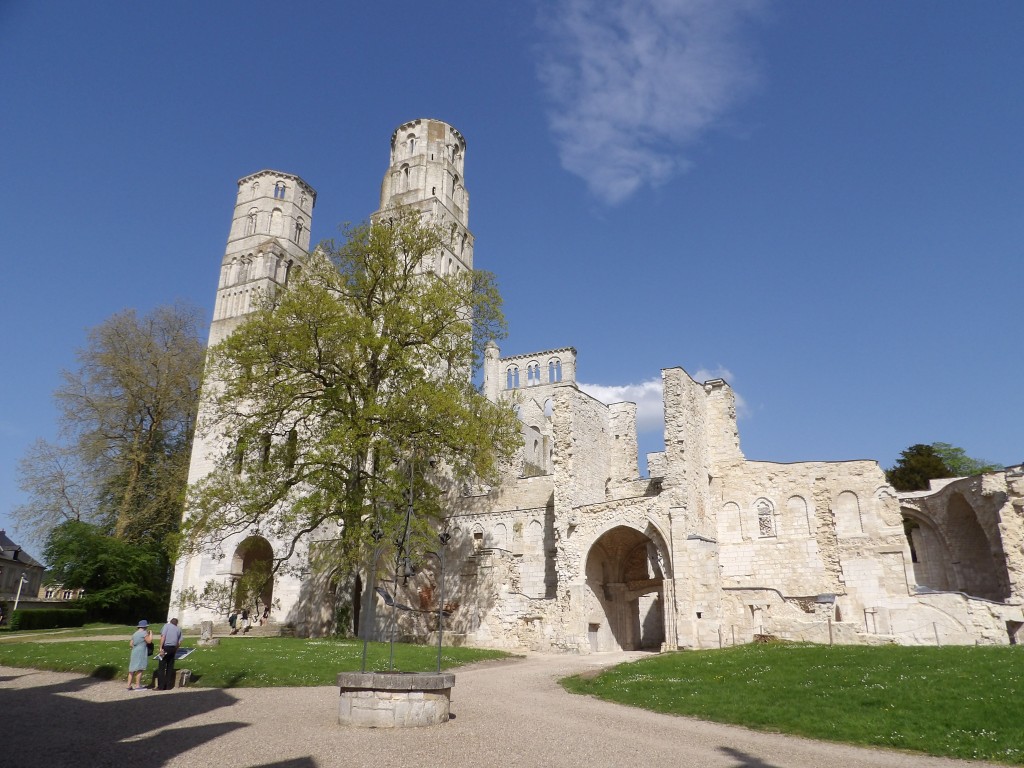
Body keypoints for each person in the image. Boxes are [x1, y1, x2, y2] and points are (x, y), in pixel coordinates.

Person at [156, 617, 183, 690]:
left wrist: (161, 648)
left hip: (166, 647)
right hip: (173, 648)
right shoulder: (178, 629)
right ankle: (168, 686)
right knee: (170, 667)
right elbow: (179, 641)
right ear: (176, 623)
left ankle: (161, 686)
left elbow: (163, 636)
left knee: (161, 667)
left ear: (170, 622)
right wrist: (176, 649)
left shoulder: (166, 626)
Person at [127, 620, 152, 690]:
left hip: (134, 651)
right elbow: (149, 641)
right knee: (140, 668)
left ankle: (128, 685)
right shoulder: (144, 633)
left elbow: (131, 644)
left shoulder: (135, 634)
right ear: (145, 627)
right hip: (141, 651)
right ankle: (138, 685)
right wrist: (151, 634)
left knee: (132, 669)